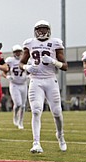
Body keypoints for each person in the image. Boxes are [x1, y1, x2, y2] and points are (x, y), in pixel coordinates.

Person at [19, 20, 68, 153]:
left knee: (57, 112)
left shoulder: (55, 43)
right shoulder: (30, 43)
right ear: (35, 31)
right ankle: (36, 143)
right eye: (39, 29)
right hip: (35, 80)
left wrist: (53, 62)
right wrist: (27, 67)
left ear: (49, 30)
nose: (42, 32)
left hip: (51, 79)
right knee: (36, 110)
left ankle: (60, 135)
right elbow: (21, 63)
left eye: (44, 29)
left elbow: (65, 66)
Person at [3, 44, 28, 129]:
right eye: (16, 52)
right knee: (18, 104)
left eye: (19, 52)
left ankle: (21, 122)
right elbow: (4, 71)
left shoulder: (25, 60)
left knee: (23, 105)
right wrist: (7, 76)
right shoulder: (10, 61)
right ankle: (15, 117)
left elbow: (31, 69)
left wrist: (29, 75)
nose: (17, 53)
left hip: (23, 84)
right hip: (14, 85)